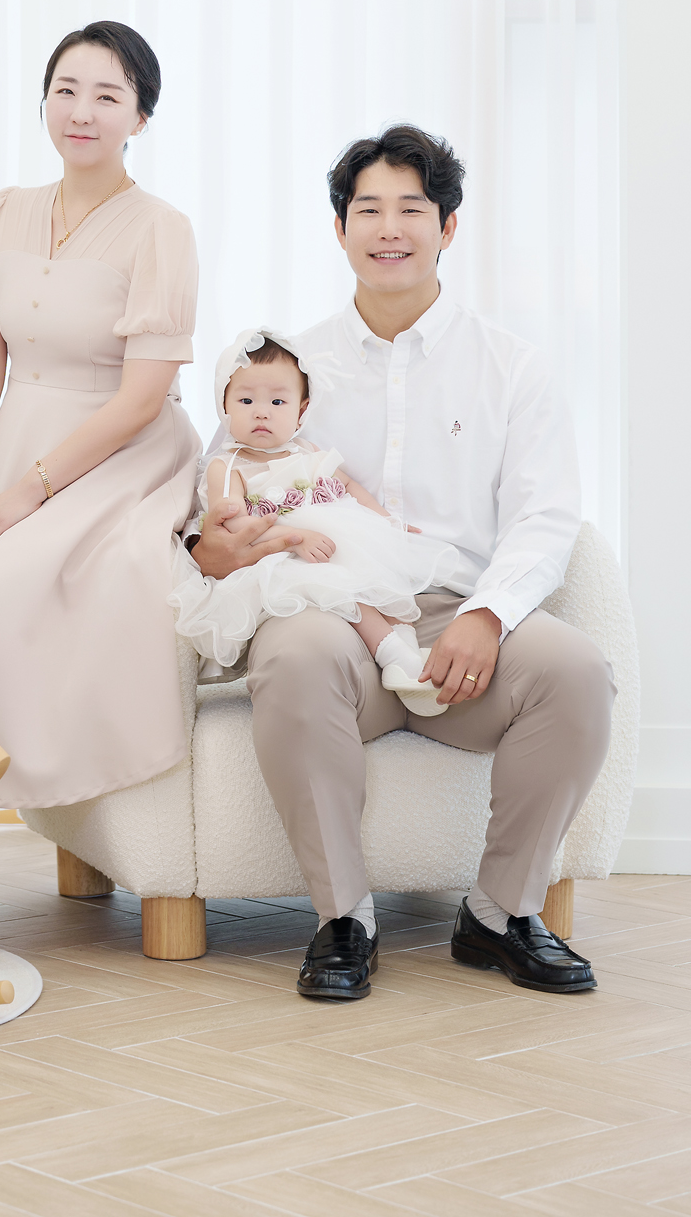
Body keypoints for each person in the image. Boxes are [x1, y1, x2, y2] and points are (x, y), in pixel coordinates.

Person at [188, 125, 615, 1001]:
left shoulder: (513, 367)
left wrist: (487, 614)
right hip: (333, 615)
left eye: (412, 209)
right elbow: (215, 494)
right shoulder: (285, 366)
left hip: (458, 611)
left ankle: (499, 914)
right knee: (297, 655)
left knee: (576, 673)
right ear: (339, 228)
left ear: (447, 227)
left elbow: (545, 517)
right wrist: (211, 545)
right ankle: (344, 918)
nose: (389, 228)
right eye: (368, 209)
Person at [0, 22, 201, 808]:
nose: (82, 111)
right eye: (66, 90)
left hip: (118, 453)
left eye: (108, 96)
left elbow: (141, 399)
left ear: (141, 117)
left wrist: (28, 492)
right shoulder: (5, 211)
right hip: (12, 440)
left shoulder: (161, 229)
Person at [173, 330, 459, 716]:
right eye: (246, 400)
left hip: (328, 540)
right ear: (224, 406)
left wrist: (386, 522)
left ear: (302, 410)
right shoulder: (228, 465)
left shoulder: (306, 451)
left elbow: (348, 485)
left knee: (375, 573)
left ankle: (403, 638)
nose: (261, 412)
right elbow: (235, 525)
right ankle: (389, 650)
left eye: (277, 401)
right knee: (340, 584)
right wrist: (294, 537)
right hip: (280, 558)